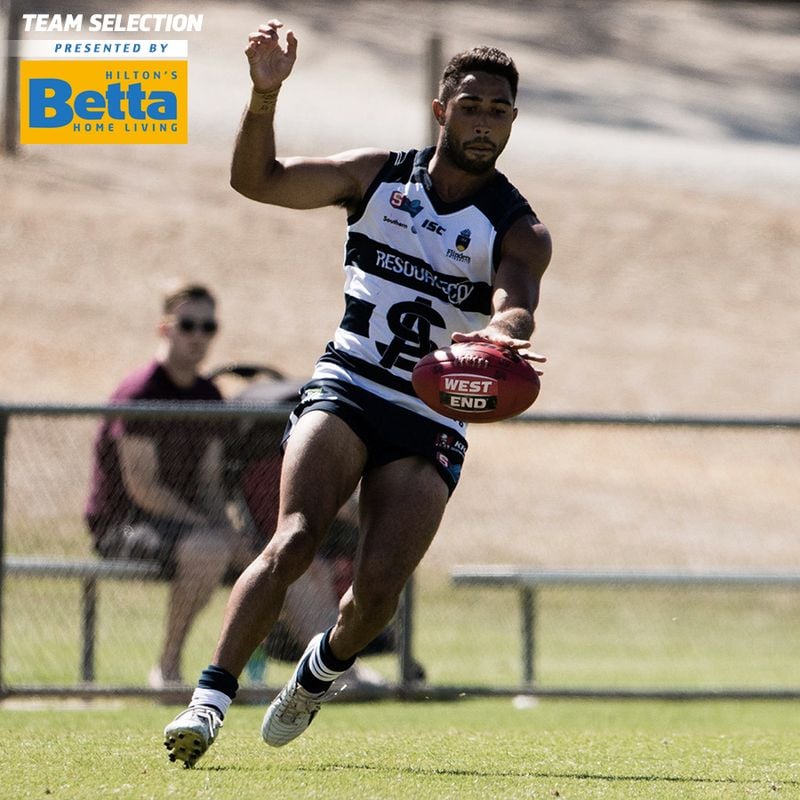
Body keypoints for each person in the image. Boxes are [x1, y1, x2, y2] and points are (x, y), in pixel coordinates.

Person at [163, 18, 551, 767]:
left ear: (511, 122)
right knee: (294, 538)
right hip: (348, 384)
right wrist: (263, 95)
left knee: (375, 598)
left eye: (499, 111)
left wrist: (502, 335)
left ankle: (319, 674)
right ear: (442, 111)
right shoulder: (378, 177)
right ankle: (207, 704)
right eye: (471, 105)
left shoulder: (518, 227)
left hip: (429, 412)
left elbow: (517, 300)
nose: (484, 122)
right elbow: (257, 180)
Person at [85, 282, 252, 687]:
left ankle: (330, 674)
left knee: (276, 557)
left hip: (187, 526)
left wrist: (229, 531)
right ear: (165, 328)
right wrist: (210, 530)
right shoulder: (140, 392)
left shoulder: (209, 395)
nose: (198, 336)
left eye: (208, 327)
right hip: (123, 525)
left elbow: (210, 483)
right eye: (188, 324)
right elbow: (143, 487)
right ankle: (168, 668)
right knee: (208, 549)